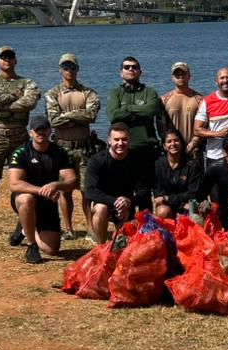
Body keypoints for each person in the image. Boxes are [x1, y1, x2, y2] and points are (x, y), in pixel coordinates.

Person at [0, 45, 40, 239]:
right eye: (3, 57)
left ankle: (23, 221)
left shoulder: (27, 82)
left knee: (22, 180)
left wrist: (5, 104)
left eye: (10, 57)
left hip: (19, 136)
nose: (7, 60)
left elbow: (31, 101)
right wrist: (15, 100)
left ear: (16, 60)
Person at [7, 115, 77, 264]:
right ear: (30, 133)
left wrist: (56, 185)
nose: (41, 133)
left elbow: (71, 180)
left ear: (50, 131)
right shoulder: (21, 152)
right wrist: (41, 190)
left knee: (52, 250)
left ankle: (26, 229)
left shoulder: (59, 152)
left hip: (48, 203)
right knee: (27, 199)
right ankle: (32, 246)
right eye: (37, 130)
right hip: (24, 199)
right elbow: (14, 184)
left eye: (44, 129)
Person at [44, 52, 100, 239]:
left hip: (85, 148)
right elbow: (54, 120)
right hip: (62, 149)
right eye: (66, 67)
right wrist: (78, 116)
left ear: (78, 69)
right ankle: (68, 229)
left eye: (73, 67)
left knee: (86, 190)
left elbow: (91, 115)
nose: (69, 71)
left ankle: (91, 228)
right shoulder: (52, 93)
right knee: (64, 191)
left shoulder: (88, 93)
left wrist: (66, 116)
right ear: (60, 70)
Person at [105, 56, 167, 210]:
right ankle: (128, 225)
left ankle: (147, 227)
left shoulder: (149, 92)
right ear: (121, 72)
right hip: (124, 149)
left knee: (144, 191)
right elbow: (113, 115)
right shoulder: (115, 93)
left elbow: (151, 110)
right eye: (127, 67)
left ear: (140, 71)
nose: (130, 70)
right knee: (125, 190)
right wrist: (139, 111)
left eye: (134, 67)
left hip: (147, 149)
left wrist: (126, 109)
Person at [85, 123, 139, 243]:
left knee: (124, 247)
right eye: (116, 139)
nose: (120, 143)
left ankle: (121, 237)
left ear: (129, 140)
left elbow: (144, 190)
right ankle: (101, 247)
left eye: (124, 139)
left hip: (126, 206)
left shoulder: (136, 160)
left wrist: (129, 202)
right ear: (109, 140)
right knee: (100, 209)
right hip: (105, 203)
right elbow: (90, 191)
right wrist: (115, 201)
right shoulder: (97, 160)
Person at [193, 67, 228, 169]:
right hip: (216, 156)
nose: (225, 81)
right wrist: (218, 134)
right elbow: (197, 130)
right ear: (216, 81)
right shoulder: (207, 101)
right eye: (222, 78)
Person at [152, 128, 201, 220]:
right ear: (164, 146)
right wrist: (175, 202)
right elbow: (158, 192)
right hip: (168, 205)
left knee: (195, 216)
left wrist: (168, 198)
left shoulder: (192, 164)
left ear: (181, 143)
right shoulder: (158, 164)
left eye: (176, 140)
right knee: (162, 211)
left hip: (187, 204)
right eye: (169, 141)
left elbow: (193, 193)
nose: (173, 144)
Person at [161, 62, 203, 154]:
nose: (180, 76)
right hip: (172, 149)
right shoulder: (164, 100)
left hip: (194, 150)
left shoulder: (200, 99)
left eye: (183, 73)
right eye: (177, 74)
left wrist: (193, 143)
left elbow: (204, 126)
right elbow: (161, 127)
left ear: (189, 76)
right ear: (172, 78)